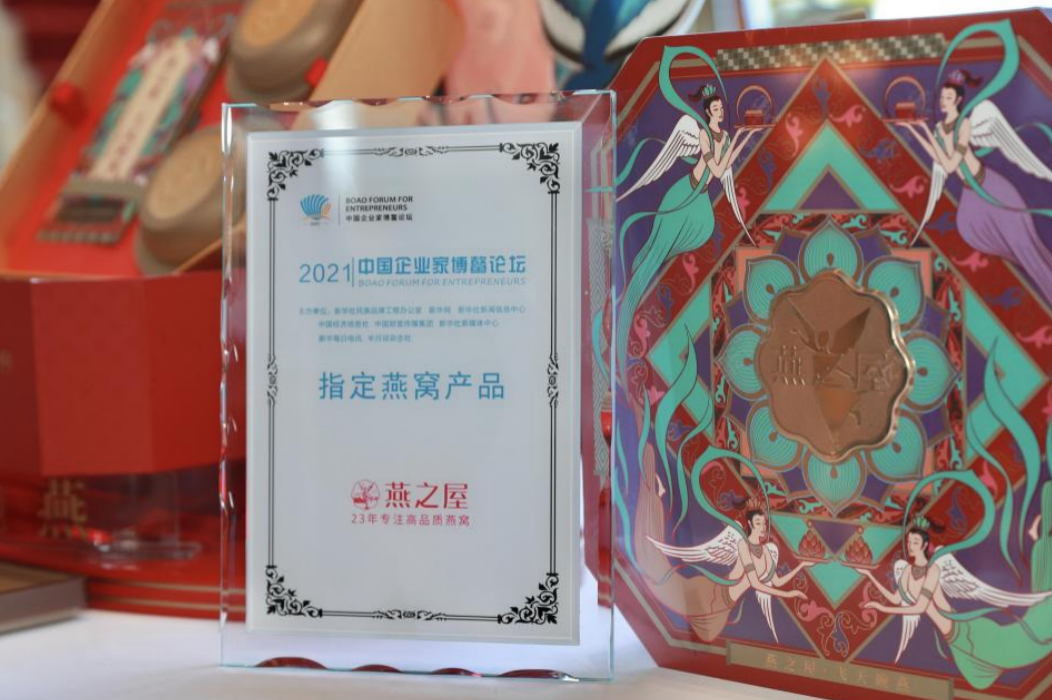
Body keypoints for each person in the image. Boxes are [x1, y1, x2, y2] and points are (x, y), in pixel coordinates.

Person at [633, 444, 810, 642]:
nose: (763, 527)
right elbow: (755, 583)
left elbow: (776, 581)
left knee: (706, 636)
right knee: (663, 583)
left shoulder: (768, 551)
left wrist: (801, 566)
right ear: (751, 524)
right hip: (714, 596)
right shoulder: (743, 546)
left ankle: (657, 490)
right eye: (759, 523)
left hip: (724, 608)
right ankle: (654, 492)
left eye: (764, 523)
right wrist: (788, 595)